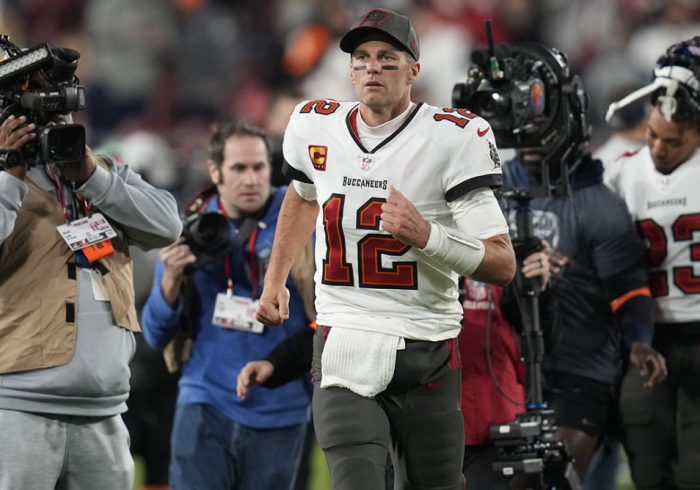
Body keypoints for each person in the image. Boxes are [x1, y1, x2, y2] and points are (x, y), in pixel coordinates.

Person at [256, 8, 517, 490]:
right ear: (350, 70)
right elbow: (301, 194)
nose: (372, 67)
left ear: (414, 69)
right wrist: (275, 281)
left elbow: (502, 264)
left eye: (387, 57)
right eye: (362, 58)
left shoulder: (453, 136)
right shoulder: (316, 126)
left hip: (426, 344)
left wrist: (426, 235)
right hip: (344, 338)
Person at [0, 40, 182, 489]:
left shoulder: (95, 172)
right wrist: (8, 175)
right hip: (17, 409)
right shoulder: (3, 180)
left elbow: (167, 225)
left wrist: (89, 176)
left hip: (104, 409)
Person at [494, 46, 668, 483]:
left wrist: (638, 341)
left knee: (554, 481)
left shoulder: (599, 204)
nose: (533, 143)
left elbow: (629, 290)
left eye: (545, 132)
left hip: (580, 368)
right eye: (525, 132)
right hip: (502, 367)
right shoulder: (487, 193)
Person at [140, 120, 314, 490]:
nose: (251, 179)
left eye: (259, 167)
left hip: (281, 407)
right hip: (205, 400)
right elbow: (155, 334)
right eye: (238, 169)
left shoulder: (301, 218)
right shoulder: (192, 225)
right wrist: (170, 280)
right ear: (215, 171)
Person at [604, 36, 700, 490]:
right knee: (647, 471)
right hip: (649, 338)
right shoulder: (621, 172)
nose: (659, 149)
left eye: (674, 141)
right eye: (653, 135)